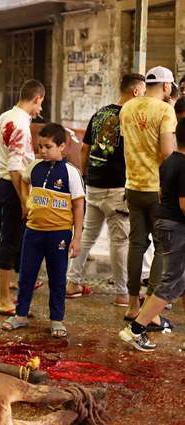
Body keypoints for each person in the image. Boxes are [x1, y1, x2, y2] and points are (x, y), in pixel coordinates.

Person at [66, 74, 146, 306]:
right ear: (135, 91)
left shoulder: (100, 113)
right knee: (119, 241)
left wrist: (85, 175)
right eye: (143, 91)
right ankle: (122, 293)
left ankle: (72, 283)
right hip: (118, 187)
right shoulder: (131, 116)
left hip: (94, 185)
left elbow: (85, 148)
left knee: (87, 236)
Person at [2, 123, 85, 338]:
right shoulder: (34, 167)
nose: (43, 151)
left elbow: (78, 205)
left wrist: (77, 238)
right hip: (33, 231)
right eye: (40, 147)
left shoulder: (71, 173)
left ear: (62, 147)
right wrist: (25, 202)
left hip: (59, 234)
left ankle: (57, 320)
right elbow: (24, 181)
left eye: (48, 147)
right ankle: (20, 315)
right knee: (26, 275)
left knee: (57, 277)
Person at [119, 118, 185, 351]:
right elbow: (184, 205)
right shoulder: (184, 165)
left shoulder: (169, 161)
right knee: (171, 284)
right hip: (177, 227)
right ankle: (135, 329)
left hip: (166, 223)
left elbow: (161, 194)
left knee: (179, 280)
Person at [119, 66, 177, 329]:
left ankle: (132, 305)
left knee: (136, 244)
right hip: (158, 189)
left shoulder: (127, 108)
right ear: (165, 86)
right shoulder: (165, 110)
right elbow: (167, 152)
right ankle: (151, 311)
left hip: (133, 186)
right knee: (162, 247)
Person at [0, 79, 45, 315]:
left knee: (5, 237)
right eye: (40, 104)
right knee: (11, 241)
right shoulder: (21, 124)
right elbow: (15, 167)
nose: (39, 109)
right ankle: (4, 299)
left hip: (2, 185)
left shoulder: (5, 116)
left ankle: (0, 282)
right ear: (36, 99)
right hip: (11, 186)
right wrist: (24, 200)